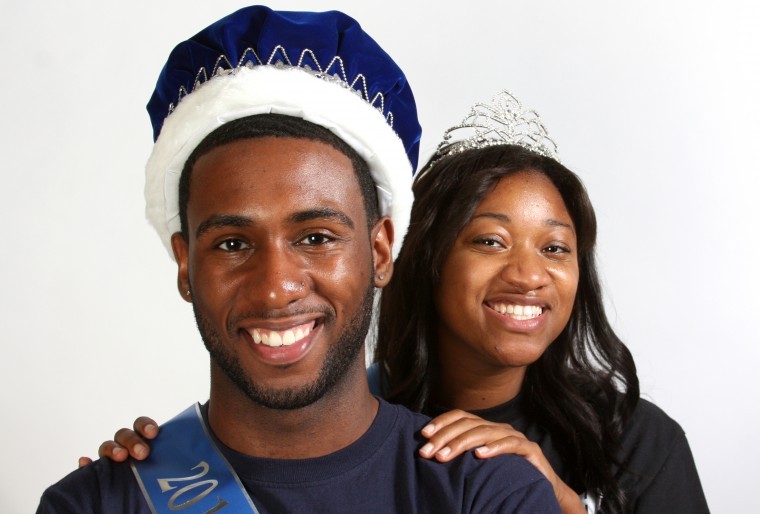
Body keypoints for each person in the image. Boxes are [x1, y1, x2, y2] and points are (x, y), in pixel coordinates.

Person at [36, 7, 561, 514]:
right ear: (184, 266)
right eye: (233, 244)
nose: (275, 288)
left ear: (380, 252)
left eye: (315, 237)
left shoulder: (489, 494)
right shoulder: (96, 503)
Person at [98, 91, 710, 514]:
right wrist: (155, 471)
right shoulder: (342, 412)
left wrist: (557, 500)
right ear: (420, 256)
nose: (528, 275)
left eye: (556, 248)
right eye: (490, 241)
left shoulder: (636, 439)